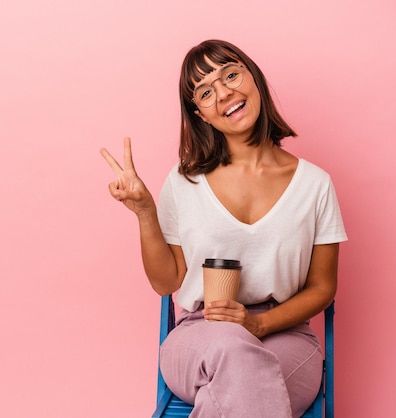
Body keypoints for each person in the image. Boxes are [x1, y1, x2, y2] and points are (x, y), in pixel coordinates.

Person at [100, 39, 347, 417]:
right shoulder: (184, 181)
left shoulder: (315, 185)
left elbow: (322, 287)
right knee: (233, 355)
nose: (225, 92)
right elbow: (167, 283)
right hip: (201, 333)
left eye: (231, 75)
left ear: (254, 79)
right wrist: (145, 213)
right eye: (206, 91)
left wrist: (259, 323)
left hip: (286, 334)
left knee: (235, 385)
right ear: (199, 113)